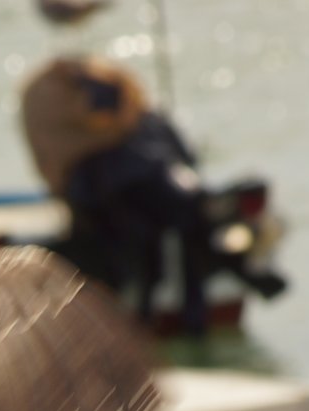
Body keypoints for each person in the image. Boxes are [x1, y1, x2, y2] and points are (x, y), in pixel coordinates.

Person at [20, 55, 213, 333]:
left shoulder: (118, 142)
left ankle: (155, 315)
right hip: (126, 211)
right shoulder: (118, 139)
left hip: (134, 211)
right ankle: (164, 315)